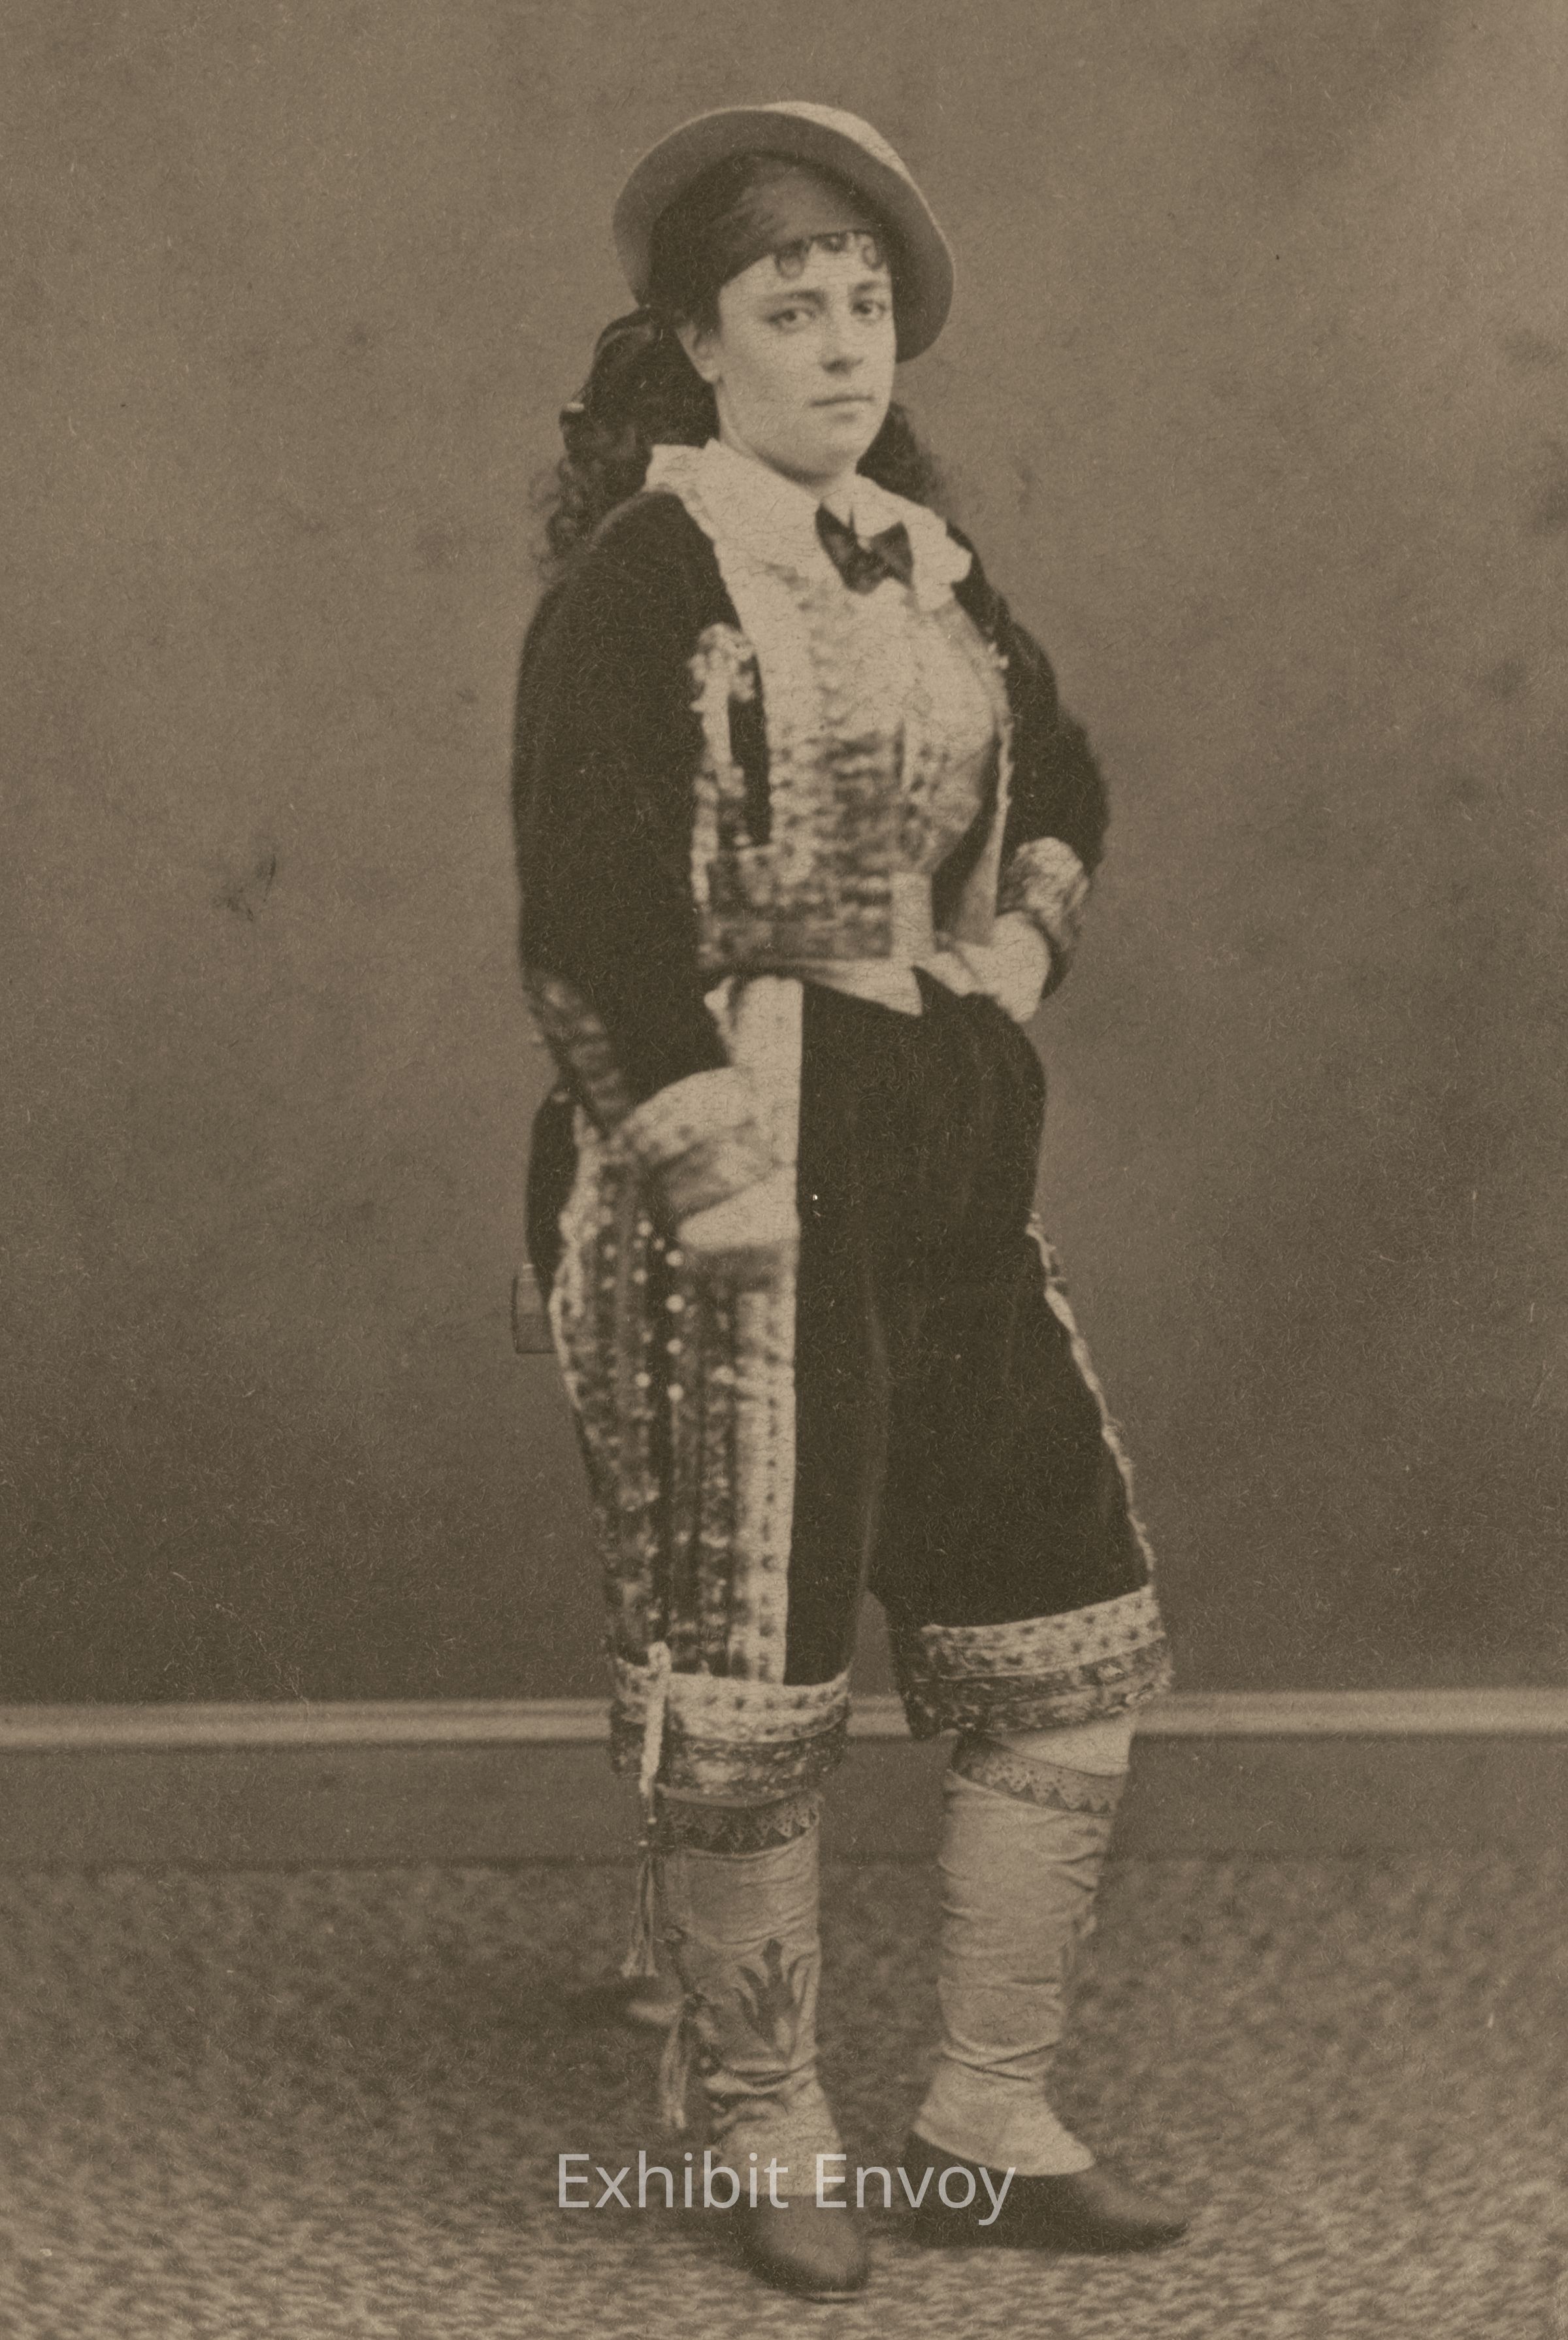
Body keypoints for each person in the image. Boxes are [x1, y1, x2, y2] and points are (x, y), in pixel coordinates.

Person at [513, 101, 1184, 2301]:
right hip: (728, 1170)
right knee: (756, 1675)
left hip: (939, 1140)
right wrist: (707, 1166)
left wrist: (1016, 954)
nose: (838, 347)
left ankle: (988, 2113)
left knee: (1061, 1631)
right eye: (789, 311)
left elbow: (1058, 776)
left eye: (865, 307)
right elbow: (586, 905)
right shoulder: (651, 572)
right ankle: (760, 2125)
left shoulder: (927, 560)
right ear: (699, 347)